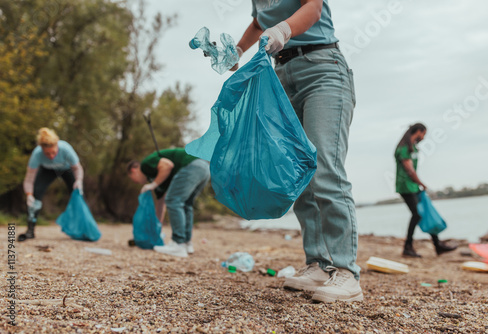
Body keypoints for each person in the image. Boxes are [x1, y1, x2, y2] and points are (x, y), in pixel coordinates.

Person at [233, 0, 362, 303]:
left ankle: (346, 272)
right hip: (281, 75)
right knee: (300, 173)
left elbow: (313, 7)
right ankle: (317, 265)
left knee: (324, 167)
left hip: (322, 68)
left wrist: (283, 29)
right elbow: (258, 22)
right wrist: (238, 50)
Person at [127, 148, 210, 258]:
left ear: (133, 170)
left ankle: (178, 244)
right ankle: (186, 243)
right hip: (204, 168)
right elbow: (161, 204)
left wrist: (153, 185)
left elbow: (167, 165)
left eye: (132, 178)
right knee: (186, 204)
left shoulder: (146, 165)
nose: (135, 181)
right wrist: (157, 229)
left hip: (192, 166)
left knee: (174, 201)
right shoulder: (158, 178)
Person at [395, 123, 457, 257]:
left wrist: (418, 184)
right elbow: (409, 170)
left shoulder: (413, 147)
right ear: (418, 131)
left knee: (425, 212)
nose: (423, 137)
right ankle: (408, 247)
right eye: (424, 134)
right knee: (417, 214)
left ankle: (437, 245)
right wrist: (421, 183)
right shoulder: (404, 148)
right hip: (405, 186)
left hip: (413, 186)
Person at [20, 128, 84, 241]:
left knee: (77, 193)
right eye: (47, 153)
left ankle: (80, 229)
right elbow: (29, 179)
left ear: (57, 146)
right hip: (48, 170)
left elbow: (77, 168)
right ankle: (30, 230)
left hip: (66, 169)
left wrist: (78, 180)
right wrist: (29, 194)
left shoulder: (66, 149)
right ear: (42, 149)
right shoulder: (37, 154)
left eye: (53, 152)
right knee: (36, 193)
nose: (51, 156)